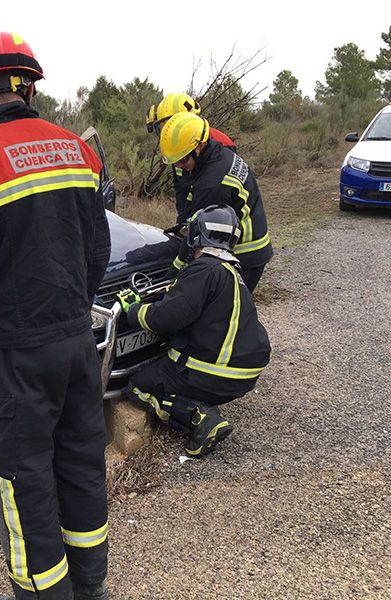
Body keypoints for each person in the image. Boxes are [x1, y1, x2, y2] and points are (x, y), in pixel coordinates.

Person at [0, 27, 111, 600]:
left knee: (21, 478)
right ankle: (90, 588)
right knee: (81, 463)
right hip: (76, 344)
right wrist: (70, 309)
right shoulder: (78, 152)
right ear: (29, 87)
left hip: (16, 356)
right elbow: (97, 251)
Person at [117, 205, 271, 456]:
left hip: (215, 372)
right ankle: (201, 399)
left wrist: (133, 311)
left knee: (137, 385)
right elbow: (186, 301)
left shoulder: (203, 270)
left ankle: (201, 419)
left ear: (197, 235)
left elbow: (166, 318)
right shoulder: (230, 270)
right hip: (243, 371)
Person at [159, 112, 273, 292]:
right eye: (175, 162)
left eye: (183, 159)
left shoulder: (212, 184)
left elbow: (195, 235)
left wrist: (172, 277)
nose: (179, 166)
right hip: (250, 243)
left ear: (200, 146)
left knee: (222, 312)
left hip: (244, 254)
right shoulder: (219, 154)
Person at [146, 92, 236, 224]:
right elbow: (181, 188)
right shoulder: (177, 145)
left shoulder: (222, 143)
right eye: (165, 125)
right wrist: (182, 221)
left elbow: (223, 193)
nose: (170, 130)